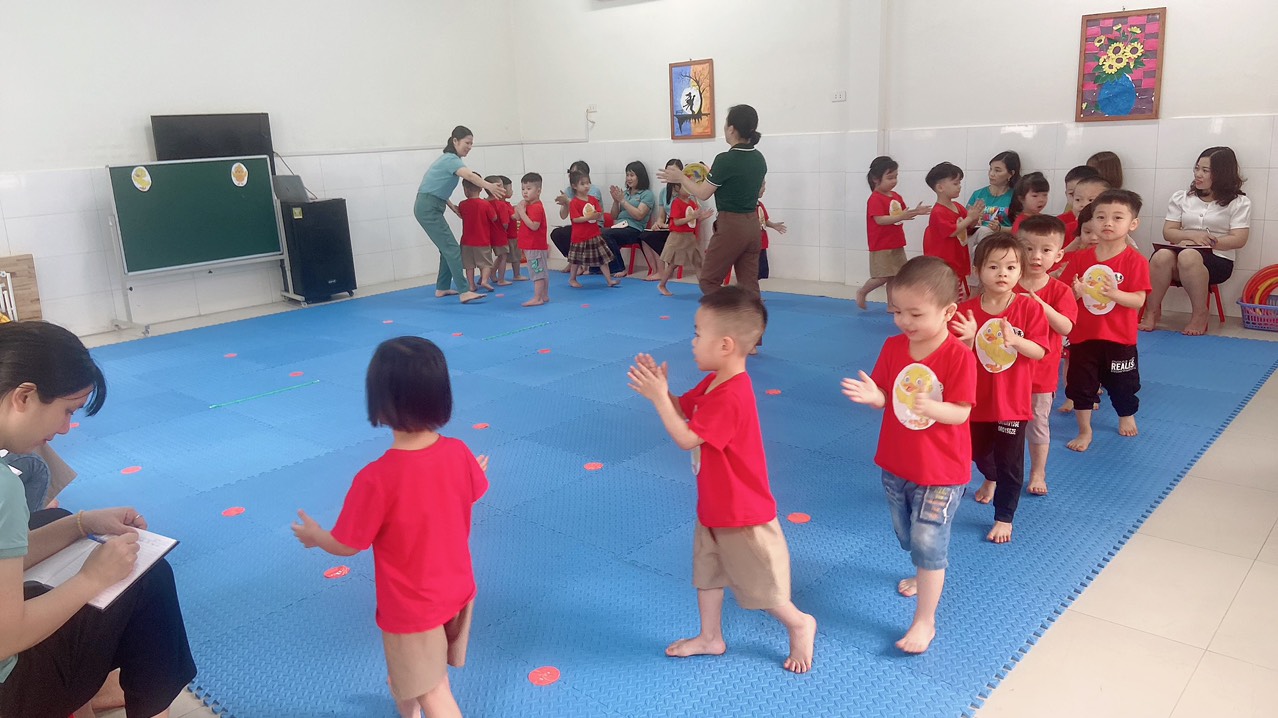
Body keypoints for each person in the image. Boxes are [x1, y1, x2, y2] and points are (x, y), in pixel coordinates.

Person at [0, 320, 196, 718]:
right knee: (148, 577)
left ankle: (91, 697)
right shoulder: (4, 487)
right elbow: (7, 637)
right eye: (66, 411)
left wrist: (82, 523)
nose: (65, 428)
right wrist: (91, 578)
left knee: (57, 519)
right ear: (24, 396)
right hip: (11, 693)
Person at [292, 336, 488, 718]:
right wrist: (466, 474)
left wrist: (317, 538)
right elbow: (465, 495)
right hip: (457, 590)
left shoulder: (376, 479)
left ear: (380, 405)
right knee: (411, 676)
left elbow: (348, 545)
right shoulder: (459, 452)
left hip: (412, 607)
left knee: (434, 690)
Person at [627, 288, 816, 673]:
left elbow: (686, 438)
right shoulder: (714, 383)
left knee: (763, 587)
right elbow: (685, 409)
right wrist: (663, 391)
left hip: (742, 513)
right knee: (708, 574)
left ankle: (799, 623)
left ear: (726, 345)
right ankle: (710, 637)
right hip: (714, 505)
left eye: (698, 334)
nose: (692, 342)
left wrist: (659, 400)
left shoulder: (732, 396)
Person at [840, 256, 975, 653]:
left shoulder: (957, 356)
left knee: (928, 539)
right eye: (897, 311)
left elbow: (961, 412)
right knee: (908, 536)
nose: (904, 321)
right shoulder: (893, 346)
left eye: (916, 314)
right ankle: (923, 567)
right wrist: (875, 397)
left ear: (948, 312)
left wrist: (933, 407)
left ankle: (924, 620)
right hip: (897, 463)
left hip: (942, 470)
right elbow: (888, 394)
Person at [949, 234, 1048, 544]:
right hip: (974, 400)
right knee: (978, 453)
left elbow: (1040, 351)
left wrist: (1016, 341)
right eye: (993, 267)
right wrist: (967, 340)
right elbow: (953, 357)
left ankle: (1004, 516)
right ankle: (989, 476)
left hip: (1011, 403)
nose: (1002, 274)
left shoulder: (1029, 309)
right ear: (977, 270)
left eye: (1010, 267)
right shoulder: (965, 310)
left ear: (1020, 272)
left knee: (1009, 463)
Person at [1060, 189, 1151, 451]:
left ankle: (1126, 415)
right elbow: (1064, 295)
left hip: (1119, 338)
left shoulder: (1135, 261)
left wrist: (1114, 294)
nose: (1108, 223)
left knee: (1124, 384)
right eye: (1101, 217)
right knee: (1081, 385)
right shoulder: (1080, 258)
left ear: (1133, 224)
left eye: (1117, 217)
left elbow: (1138, 300)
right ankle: (1085, 430)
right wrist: (1075, 293)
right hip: (1083, 336)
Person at [657, 105, 767, 299]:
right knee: (749, 286)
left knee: (708, 280)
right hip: (753, 227)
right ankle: (750, 317)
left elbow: (703, 193)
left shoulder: (725, 159)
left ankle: (729, 312)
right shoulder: (759, 158)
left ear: (731, 129)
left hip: (732, 226)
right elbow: (758, 191)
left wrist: (681, 177)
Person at [1141, 146, 1251, 336]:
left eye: (1205, 170)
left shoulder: (1239, 202)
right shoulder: (1182, 197)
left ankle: (1200, 314)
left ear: (1222, 174)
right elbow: (1169, 232)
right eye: (1197, 168)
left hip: (1217, 260)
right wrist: (1191, 236)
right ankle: (1151, 312)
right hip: (1179, 255)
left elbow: (1239, 239)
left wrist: (1207, 243)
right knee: (1161, 255)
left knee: (1189, 256)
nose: (1198, 174)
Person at [1014, 216, 1077, 496]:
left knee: (1037, 425)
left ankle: (1038, 471)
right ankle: (997, 475)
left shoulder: (1060, 290)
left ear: (1058, 255)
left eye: (1045, 250)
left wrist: (1040, 305)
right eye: (1028, 248)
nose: (1036, 256)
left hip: (1041, 376)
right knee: (1004, 427)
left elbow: (1066, 327)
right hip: (1006, 374)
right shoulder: (1005, 284)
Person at [414, 125, 506, 304]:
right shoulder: (451, 159)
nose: (469, 147)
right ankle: (464, 291)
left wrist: (449, 205)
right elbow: (469, 176)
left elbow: (434, 186)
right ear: (455, 141)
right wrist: (489, 185)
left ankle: (442, 287)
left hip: (431, 205)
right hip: (428, 208)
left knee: (447, 249)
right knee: (453, 249)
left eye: (471, 144)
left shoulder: (449, 160)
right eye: (467, 143)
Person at [857, 156, 928, 309]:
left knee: (895, 276)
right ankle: (863, 291)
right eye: (890, 178)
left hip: (896, 241)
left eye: (896, 177)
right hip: (881, 244)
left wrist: (916, 211)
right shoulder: (875, 199)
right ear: (876, 179)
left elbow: (902, 213)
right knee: (882, 277)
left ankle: (892, 304)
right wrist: (901, 216)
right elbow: (880, 220)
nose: (894, 181)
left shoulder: (896, 196)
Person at [923, 162, 984, 300]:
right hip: (945, 262)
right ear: (940, 187)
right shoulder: (938, 212)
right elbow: (952, 231)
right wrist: (970, 217)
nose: (959, 186)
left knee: (959, 293)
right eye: (955, 183)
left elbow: (968, 226)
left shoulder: (957, 206)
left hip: (958, 258)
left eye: (959, 183)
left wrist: (975, 218)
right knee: (948, 295)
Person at [550, 161, 615, 275]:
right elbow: (563, 216)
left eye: (575, 173)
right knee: (558, 233)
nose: (572, 175)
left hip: (593, 225)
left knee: (581, 236)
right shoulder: (569, 190)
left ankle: (579, 264)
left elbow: (588, 212)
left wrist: (568, 201)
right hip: (578, 225)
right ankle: (574, 262)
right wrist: (565, 204)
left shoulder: (591, 190)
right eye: (570, 173)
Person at [606, 162, 660, 279]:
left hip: (635, 229)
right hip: (619, 227)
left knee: (607, 234)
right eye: (627, 175)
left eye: (632, 175)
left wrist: (623, 201)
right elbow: (614, 216)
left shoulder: (647, 194)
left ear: (640, 176)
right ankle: (597, 268)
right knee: (598, 233)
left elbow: (639, 215)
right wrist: (616, 201)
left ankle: (620, 268)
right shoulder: (624, 193)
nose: (629, 178)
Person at [566, 171, 619, 288]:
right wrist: (588, 217)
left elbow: (599, 213)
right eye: (582, 184)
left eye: (588, 183)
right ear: (574, 186)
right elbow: (575, 219)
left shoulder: (593, 199)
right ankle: (572, 278)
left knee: (603, 258)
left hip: (594, 234)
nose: (586, 186)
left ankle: (609, 280)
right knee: (575, 260)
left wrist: (597, 215)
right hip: (579, 236)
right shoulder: (574, 202)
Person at [657, 181, 702, 296]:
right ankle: (662, 285)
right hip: (678, 237)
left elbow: (693, 221)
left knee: (698, 262)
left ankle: (704, 288)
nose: (688, 189)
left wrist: (701, 217)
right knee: (673, 264)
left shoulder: (692, 203)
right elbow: (676, 222)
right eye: (685, 187)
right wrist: (692, 217)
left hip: (690, 237)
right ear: (677, 188)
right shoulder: (676, 202)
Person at [967, 151, 1021, 244]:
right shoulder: (978, 194)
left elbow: (1021, 230)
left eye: (997, 170)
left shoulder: (1016, 197)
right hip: (977, 239)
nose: (991, 174)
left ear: (1011, 174)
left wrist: (1000, 228)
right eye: (990, 169)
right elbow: (964, 221)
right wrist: (974, 220)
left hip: (1004, 242)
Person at [515, 173, 550, 307]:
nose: (525, 192)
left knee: (537, 272)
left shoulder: (536, 207)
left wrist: (521, 212)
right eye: (523, 189)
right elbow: (516, 217)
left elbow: (534, 226)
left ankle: (538, 298)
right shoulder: (529, 205)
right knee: (541, 271)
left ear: (538, 191)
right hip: (532, 246)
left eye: (529, 189)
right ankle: (544, 295)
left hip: (534, 246)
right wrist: (520, 209)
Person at [457, 179, 497, 293]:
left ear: (465, 190)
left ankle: (471, 285)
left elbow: (460, 214)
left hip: (466, 241)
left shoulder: (462, 204)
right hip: (482, 240)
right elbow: (494, 218)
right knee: (486, 264)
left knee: (469, 265)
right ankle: (484, 280)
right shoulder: (485, 204)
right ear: (480, 188)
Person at [485, 175, 516, 287]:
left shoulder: (485, 203)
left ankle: (490, 275)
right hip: (500, 235)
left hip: (488, 235)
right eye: (502, 186)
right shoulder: (501, 204)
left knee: (495, 257)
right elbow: (505, 224)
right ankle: (501, 279)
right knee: (503, 256)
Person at [756, 181, 786, 285]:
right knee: (751, 272)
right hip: (752, 245)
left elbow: (764, 220)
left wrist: (773, 225)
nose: (764, 189)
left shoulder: (760, 205)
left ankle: (755, 290)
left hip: (762, 244)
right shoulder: (747, 207)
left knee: (760, 272)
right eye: (762, 185)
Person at [1058, 165, 1101, 238]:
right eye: (1072, 194)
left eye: (1090, 199)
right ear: (1066, 194)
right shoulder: (1059, 223)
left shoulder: (1105, 224)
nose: (1083, 204)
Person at [500, 176, 526, 282]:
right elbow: (514, 217)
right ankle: (517, 275)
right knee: (516, 257)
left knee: (501, 257)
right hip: (511, 236)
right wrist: (520, 209)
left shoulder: (502, 204)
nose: (512, 191)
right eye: (510, 189)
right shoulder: (504, 205)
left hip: (505, 236)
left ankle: (492, 275)